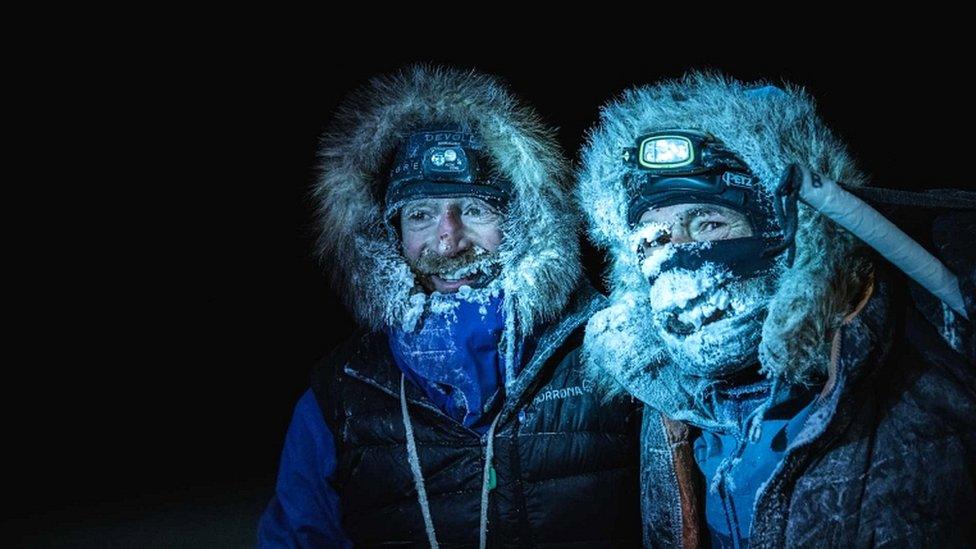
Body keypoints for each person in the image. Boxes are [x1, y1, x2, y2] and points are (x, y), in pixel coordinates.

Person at [577, 72, 976, 547]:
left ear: (785, 234)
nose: (676, 259)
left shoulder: (922, 371)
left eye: (707, 223)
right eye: (653, 237)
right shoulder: (664, 403)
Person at [258, 66, 641, 547]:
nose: (448, 236)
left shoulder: (611, 352)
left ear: (523, 220)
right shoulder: (343, 392)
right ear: (389, 235)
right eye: (421, 214)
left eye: (475, 209)